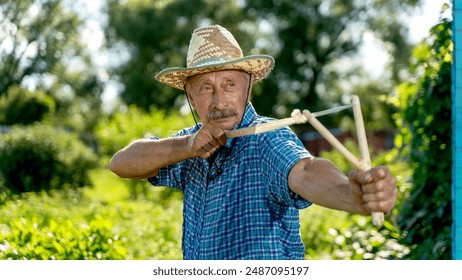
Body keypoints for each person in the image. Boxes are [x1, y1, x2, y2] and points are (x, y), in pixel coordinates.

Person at [109, 25, 397, 260]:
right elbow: (120, 163)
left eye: (230, 85)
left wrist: (352, 195)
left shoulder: (267, 138)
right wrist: (184, 147)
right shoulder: (192, 143)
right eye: (206, 88)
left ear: (248, 89)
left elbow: (306, 171)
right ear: (191, 97)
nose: (219, 101)